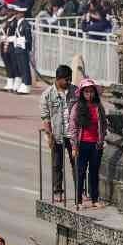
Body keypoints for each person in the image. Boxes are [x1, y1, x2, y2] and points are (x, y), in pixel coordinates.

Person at [40, 65, 77, 203]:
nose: (69, 82)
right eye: (66, 80)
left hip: (72, 135)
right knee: (57, 164)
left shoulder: (75, 91)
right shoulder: (47, 94)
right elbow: (45, 117)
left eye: (70, 79)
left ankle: (80, 190)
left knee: (76, 163)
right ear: (58, 79)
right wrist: (49, 136)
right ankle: (57, 191)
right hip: (57, 135)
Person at [68, 78, 107, 207]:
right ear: (82, 93)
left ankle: (94, 199)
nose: (89, 95)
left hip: (96, 144)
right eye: (86, 92)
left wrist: (102, 140)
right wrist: (74, 146)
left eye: (91, 92)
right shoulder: (77, 107)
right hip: (82, 144)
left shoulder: (98, 107)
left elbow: (103, 125)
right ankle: (78, 200)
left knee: (94, 172)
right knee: (80, 172)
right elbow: (73, 127)